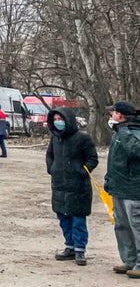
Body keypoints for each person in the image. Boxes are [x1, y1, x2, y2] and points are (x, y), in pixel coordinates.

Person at [46, 107, 98, 266]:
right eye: (54, 120)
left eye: (60, 119)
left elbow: (92, 159)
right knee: (63, 218)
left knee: (78, 220)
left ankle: (80, 249)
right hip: (59, 185)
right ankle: (69, 246)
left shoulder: (83, 139)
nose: (57, 122)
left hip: (78, 186)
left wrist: (82, 171)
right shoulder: (55, 138)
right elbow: (50, 155)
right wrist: (52, 168)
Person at [105, 101, 140, 278]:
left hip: (134, 189)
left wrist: (124, 130)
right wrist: (108, 180)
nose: (110, 116)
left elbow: (136, 150)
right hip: (118, 187)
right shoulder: (119, 133)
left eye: (112, 113)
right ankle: (129, 260)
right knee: (121, 226)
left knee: (137, 227)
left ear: (119, 115)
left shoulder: (132, 132)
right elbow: (114, 160)